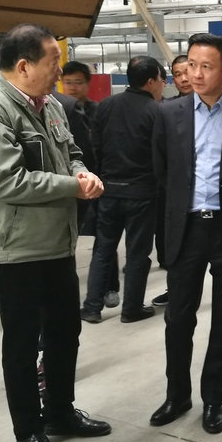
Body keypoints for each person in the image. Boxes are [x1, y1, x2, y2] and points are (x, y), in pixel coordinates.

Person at [0, 24, 111, 442]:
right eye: (53, 62)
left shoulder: (51, 106)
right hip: (14, 252)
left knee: (65, 333)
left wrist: (81, 172)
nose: (60, 71)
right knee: (23, 346)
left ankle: (60, 411)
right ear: (24, 66)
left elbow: (72, 153)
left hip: (55, 245)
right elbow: (8, 182)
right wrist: (72, 187)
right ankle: (28, 432)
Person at [150, 32, 222, 435]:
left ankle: (214, 398)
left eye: (206, 67)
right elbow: (162, 175)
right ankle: (177, 395)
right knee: (178, 318)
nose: (195, 74)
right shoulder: (168, 114)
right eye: (191, 65)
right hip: (185, 229)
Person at [80, 56, 165, 323]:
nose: (161, 84)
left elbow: (95, 146)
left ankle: (91, 307)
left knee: (103, 250)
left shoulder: (105, 105)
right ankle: (131, 309)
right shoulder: (156, 111)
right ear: (150, 81)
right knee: (138, 253)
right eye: (161, 79)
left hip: (109, 191)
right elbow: (162, 155)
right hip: (142, 194)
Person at [62, 59, 120, 307]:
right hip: (69, 184)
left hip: (99, 182)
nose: (73, 87)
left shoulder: (98, 111)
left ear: (87, 84)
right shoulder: (58, 110)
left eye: (78, 82)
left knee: (105, 235)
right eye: (68, 82)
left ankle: (110, 287)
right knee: (66, 239)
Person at [152, 54, 193, 306]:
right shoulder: (167, 111)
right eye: (177, 74)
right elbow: (159, 158)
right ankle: (175, 290)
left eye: (187, 71)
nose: (184, 79)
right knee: (176, 249)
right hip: (176, 194)